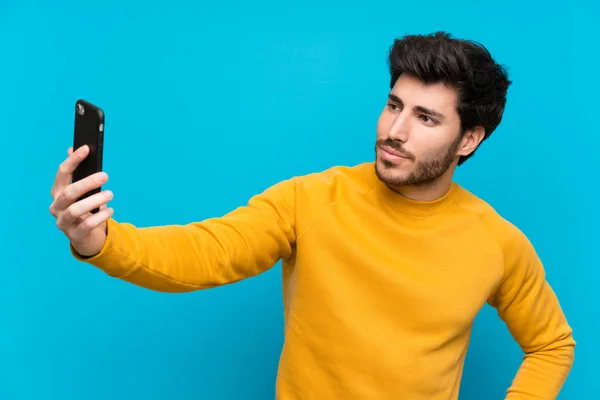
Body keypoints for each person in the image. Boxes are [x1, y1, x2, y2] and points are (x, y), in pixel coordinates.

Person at [50, 31, 575, 399]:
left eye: (426, 117)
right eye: (394, 105)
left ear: (469, 139)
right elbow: (205, 252)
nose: (396, 130)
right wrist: (99, 241)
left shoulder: (499, 243)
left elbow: (551, 344)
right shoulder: (313, 198)